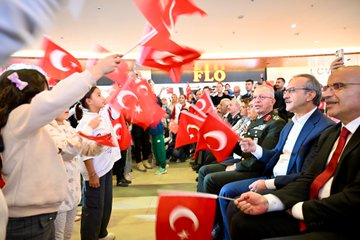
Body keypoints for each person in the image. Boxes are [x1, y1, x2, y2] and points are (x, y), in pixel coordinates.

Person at [230, 66, 360, 240]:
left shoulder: (323, 128)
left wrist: (298, 208)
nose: (327, 95)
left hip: (343, 222)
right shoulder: (332, 133)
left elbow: (354, 199)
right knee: (243, 221)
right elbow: (309, 177)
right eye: (327, 88)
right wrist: (269, 202)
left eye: (337, 86)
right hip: (311, 207)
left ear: (309, 95)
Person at [0, 55, 121, 239]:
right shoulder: (17, 120)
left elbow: (69, 147)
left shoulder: (36, 126)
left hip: (42, 215)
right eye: (45, 92)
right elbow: (56, 107)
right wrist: (96, 71)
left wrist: (96, 145)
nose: (49, 97)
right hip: (28, 220)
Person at [46, 110, 103, 240]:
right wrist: (89, 128)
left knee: (68, 234)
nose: (66, 107)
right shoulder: (47, 129)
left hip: (73, 193)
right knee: (58, 236)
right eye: (61, 105)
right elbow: (68, 151)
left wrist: (100, 144)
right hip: (58, 196)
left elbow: (84, 148)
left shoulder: (67, 126)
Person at [75, 86, 122, 240]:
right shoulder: (86, 122)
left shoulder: (101, 113)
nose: (103, 97)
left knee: (105, 205)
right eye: (98, 95)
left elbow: (114, 102)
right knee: (93, 209)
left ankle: (102, 234)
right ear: (88, 101)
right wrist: (92, 174)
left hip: (106, 167)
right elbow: (84, 152)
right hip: (95, 173)